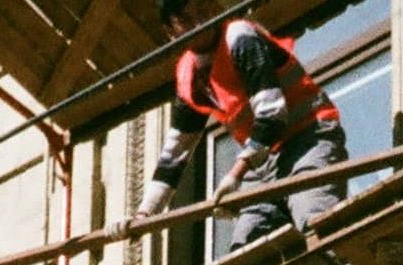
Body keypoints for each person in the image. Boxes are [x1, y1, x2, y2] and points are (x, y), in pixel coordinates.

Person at [133, 1, 349, 250]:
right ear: (170, 31)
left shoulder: (239, 36)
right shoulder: (188, 74)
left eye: (203, 12)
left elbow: (271, 114)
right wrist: (145, 214)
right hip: (263, 163)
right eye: (187, 20)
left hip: (307, 139)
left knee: (319, 231)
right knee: (244, 259)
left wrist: (235, 174)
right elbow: (175, 153)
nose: (200, 25)